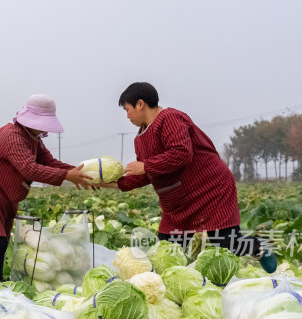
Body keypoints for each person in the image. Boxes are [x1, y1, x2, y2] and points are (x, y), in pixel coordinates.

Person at [97, 82, 277, 273]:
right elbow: (146, 174)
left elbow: (181, 153)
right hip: (178, 200)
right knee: (167, 249)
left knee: (225, 244)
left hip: (209, 188)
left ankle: (258, 247)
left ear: (140, 104)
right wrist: (111, 184)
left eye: (127, 109)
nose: (127, 116)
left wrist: (146, 165)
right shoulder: (140, 138)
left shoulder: (170, 118)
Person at [0, 94, 92, 285]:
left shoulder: (33, 138)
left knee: (1, 240)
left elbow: (49, 162)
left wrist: (76, 172)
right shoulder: (13, 136)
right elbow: (29, 168)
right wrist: (66, 176)